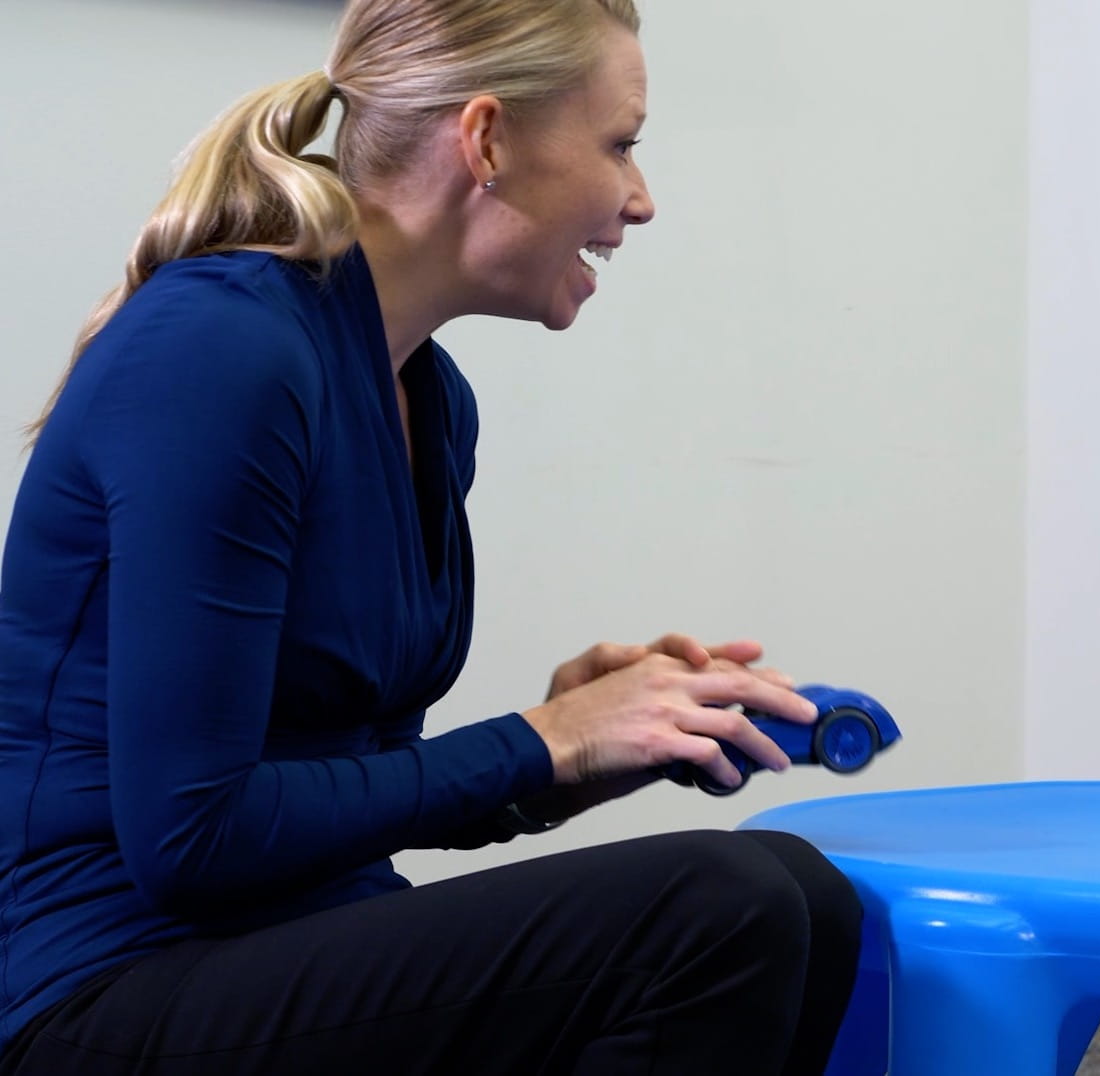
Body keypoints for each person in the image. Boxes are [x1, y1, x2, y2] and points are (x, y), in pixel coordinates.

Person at [0, 1, 862, 1073]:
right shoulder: (220, 350)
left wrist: (573, 760)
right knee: (721, 909)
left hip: (279, 951)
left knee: (810, 897)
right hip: (96, 994)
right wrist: (543, 735)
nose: (638, 200)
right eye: (620, 144)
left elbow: (344, 795)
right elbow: (193, 838)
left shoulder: (426, 399)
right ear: (487, 139)